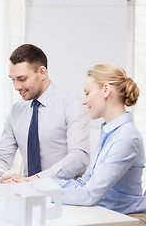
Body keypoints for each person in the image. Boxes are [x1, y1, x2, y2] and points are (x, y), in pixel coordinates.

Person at [0, 44, 90, 184]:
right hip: (26, 191)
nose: (16, 87)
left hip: (65, 194)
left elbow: (79, 157)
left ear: (42, 72)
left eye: (22, 79)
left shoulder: (72, 104)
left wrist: (36, 180)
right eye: (13, 79)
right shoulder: (16, 110)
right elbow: (2, 159)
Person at [51, 64, 145, 223]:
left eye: (87, 93)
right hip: (109, 215)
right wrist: (43, 185)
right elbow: (84, 183)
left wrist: (44, 191)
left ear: (106, 90)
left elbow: (89, 194)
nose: (83, 101)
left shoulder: (127, 138)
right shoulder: (109, 133)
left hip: (129, 219)